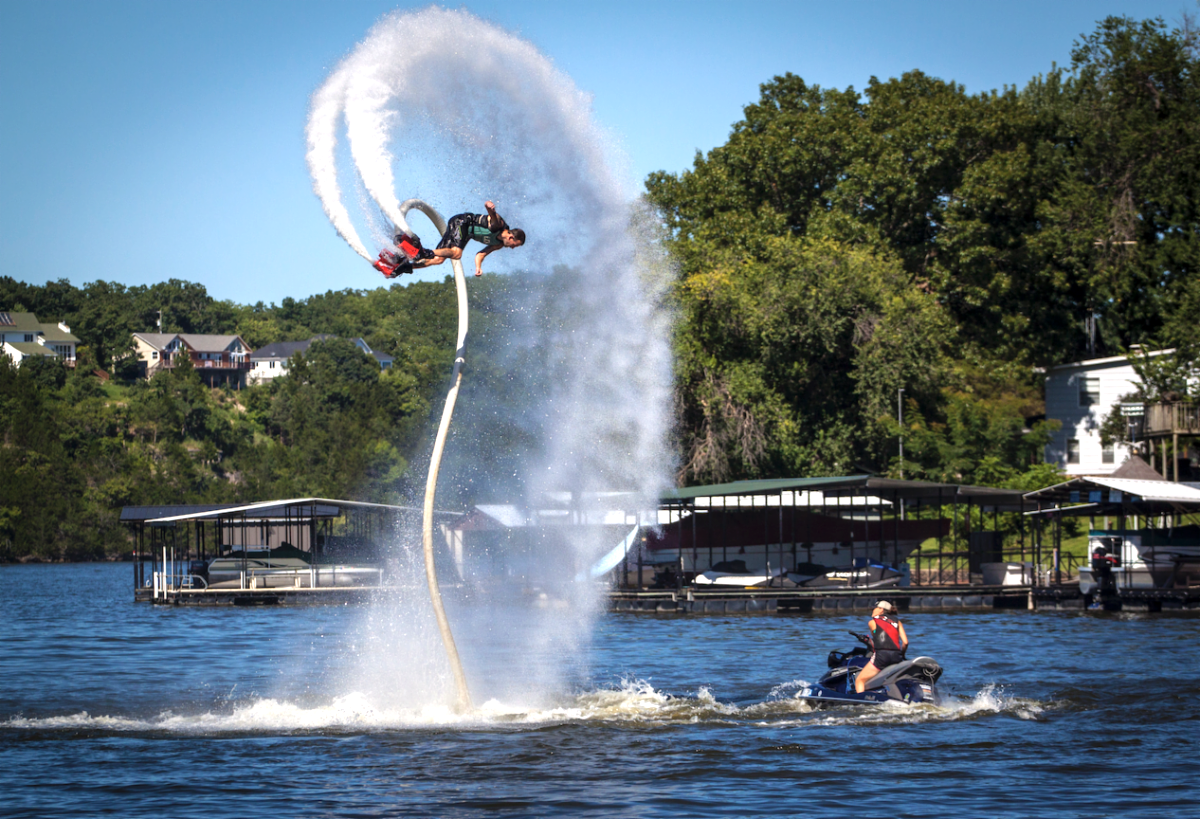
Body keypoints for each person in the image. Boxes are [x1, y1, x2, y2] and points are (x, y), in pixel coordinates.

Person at [380, 200, 525, 278]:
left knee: (438, 260)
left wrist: (478, 268)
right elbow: (493, 216)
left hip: (465, 234)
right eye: (514, 245)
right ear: (511, 237)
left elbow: (480, 254)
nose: (512, 248)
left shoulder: (499, 244)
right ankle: (423, 252)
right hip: (462, 222)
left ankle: (404, 265)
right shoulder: (499, 225)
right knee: (457, 253)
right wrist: (489, 208)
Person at [853, 600, 909, 693]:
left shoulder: (872, 622)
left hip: (882, 656)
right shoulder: (897, 622)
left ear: (881, 609)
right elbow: (905, 642)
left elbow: (876, 640)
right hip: (896, 656)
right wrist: (902, 655)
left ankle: (861, 704)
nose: (872, 611)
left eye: (874, 609)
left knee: (860, 680)